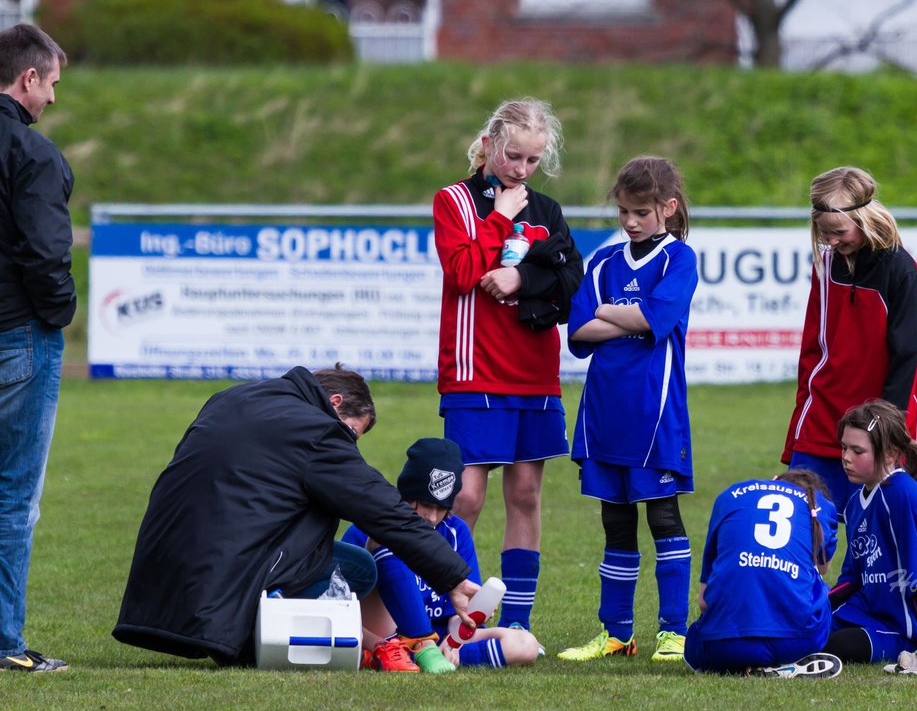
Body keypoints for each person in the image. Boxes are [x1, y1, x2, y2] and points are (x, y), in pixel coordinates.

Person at [114, 365, 480, 666]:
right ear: (334, 403)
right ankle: (264, 632)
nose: (349, 446)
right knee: (360, 567)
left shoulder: (231, 397)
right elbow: (382, 508)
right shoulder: (318, 433)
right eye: (352, 433)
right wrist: (451, 577)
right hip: (224, 577)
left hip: (157, 578)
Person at [433, 98, 582, 633]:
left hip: (534, 370)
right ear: (491, 143)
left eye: (531, 160)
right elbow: (463, 271)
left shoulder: (546, 210)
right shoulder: (454, 201)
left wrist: (523, 280)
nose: (520, 169)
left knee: (525, 493)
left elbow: (570, 284)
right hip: (475, 370)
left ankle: (516, 623)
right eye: (512, 155)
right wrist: (499, 218)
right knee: (467, 494)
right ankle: (447, 614)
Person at [557, 156, 698, 664]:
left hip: (655, 416)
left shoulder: (678, 260)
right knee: (615, 525)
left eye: (641, 212)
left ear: (668, 207)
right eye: (623, 212)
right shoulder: (601, 262)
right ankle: (615, 633)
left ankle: (674, 632)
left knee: (664, 518)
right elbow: (576, 331)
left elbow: (657, 316)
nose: (631, 222)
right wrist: (629, 319)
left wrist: (606, 312)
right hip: (601, 417)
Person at [781, 166, 917, 514]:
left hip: (878, 421)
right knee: (804, 520)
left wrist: (887, 431)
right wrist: (802, 410)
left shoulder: (901, 269)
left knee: (879, 530)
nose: (831, 242)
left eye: (839, 232)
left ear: (864, 217)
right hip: (821, 417)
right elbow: (812, 349)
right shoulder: (827, 265)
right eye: (824, 233)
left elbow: (905, 356)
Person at [0, 24, 74, 674]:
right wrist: (58, 315)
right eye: (50, 83)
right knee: (13, 496)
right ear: (27, 79)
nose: (52, 97)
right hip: (18, 336)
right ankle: (3, 641)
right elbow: (47, 254)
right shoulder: (33, 154)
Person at [341, 438, 540, 672]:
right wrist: (375, 644)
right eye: (427, 505)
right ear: (408, 495)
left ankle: (428, 656)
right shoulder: (367, 527)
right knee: (386, 543)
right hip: (387, 635)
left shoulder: (457, 532)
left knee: (525, 645)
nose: (433, 518)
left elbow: (460, 613)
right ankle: (404, 651)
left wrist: (454, 643)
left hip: (441, 637)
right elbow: (342, 608)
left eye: (442, 508)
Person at [823, 400, 917, 677]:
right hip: (869, 612)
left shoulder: (903, 495)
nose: (846, 457)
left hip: (909, 627)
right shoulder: (855, 503)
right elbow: (852, 579)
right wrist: (815, 608)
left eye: (857, 450)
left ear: (889, 454)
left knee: (837, 644)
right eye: (843, 448)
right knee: (802, 629)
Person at [684, 470, 842, 679]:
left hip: (725, 645)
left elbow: (704, 602)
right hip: (798, 641)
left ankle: (746, 666)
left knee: (693, 645)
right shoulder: (820, 505)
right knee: (818, 587)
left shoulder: (729, 496)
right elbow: (822, 567)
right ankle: (775, 664)